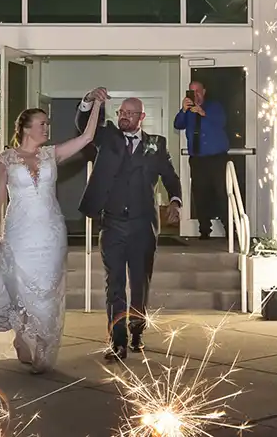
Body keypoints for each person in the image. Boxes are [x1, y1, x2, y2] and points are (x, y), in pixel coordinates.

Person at [0, 105, 101, 373]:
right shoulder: (6, 159)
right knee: (18, 285)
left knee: (48, 290)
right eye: (42, 124)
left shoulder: (50, 154)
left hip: (50, 232)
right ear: (26, 127)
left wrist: (96, 103)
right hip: (19, 231)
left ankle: (44, 344)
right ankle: (21, 333)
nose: (46, 128)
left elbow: (87, 137)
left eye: (47, 124)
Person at [75, 87, 182, 361]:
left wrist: (175, 202)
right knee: (115, 284)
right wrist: (89, 101)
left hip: (143, 225)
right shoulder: (107, 137)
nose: (124, 117)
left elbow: (170, 178)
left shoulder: (155, 144)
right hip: (112, 224)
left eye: (130, 114)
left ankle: (137, 330)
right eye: (121, 112)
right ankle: (118, 340)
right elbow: (82, 126)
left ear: (141, 117)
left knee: (139, 282)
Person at [173, 80, 228, 239]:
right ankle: (204, 230)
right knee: (200, 194)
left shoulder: (214, 107)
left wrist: (204, 113)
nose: (195, 94)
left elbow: (222, 122)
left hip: (217, 159)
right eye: (191, 91)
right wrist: (183, 110)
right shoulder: (188, 111)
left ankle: (231, 230)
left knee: (221, 194)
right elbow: (177, 124)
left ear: (203, 92)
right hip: (198, 159)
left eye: (197, 91)